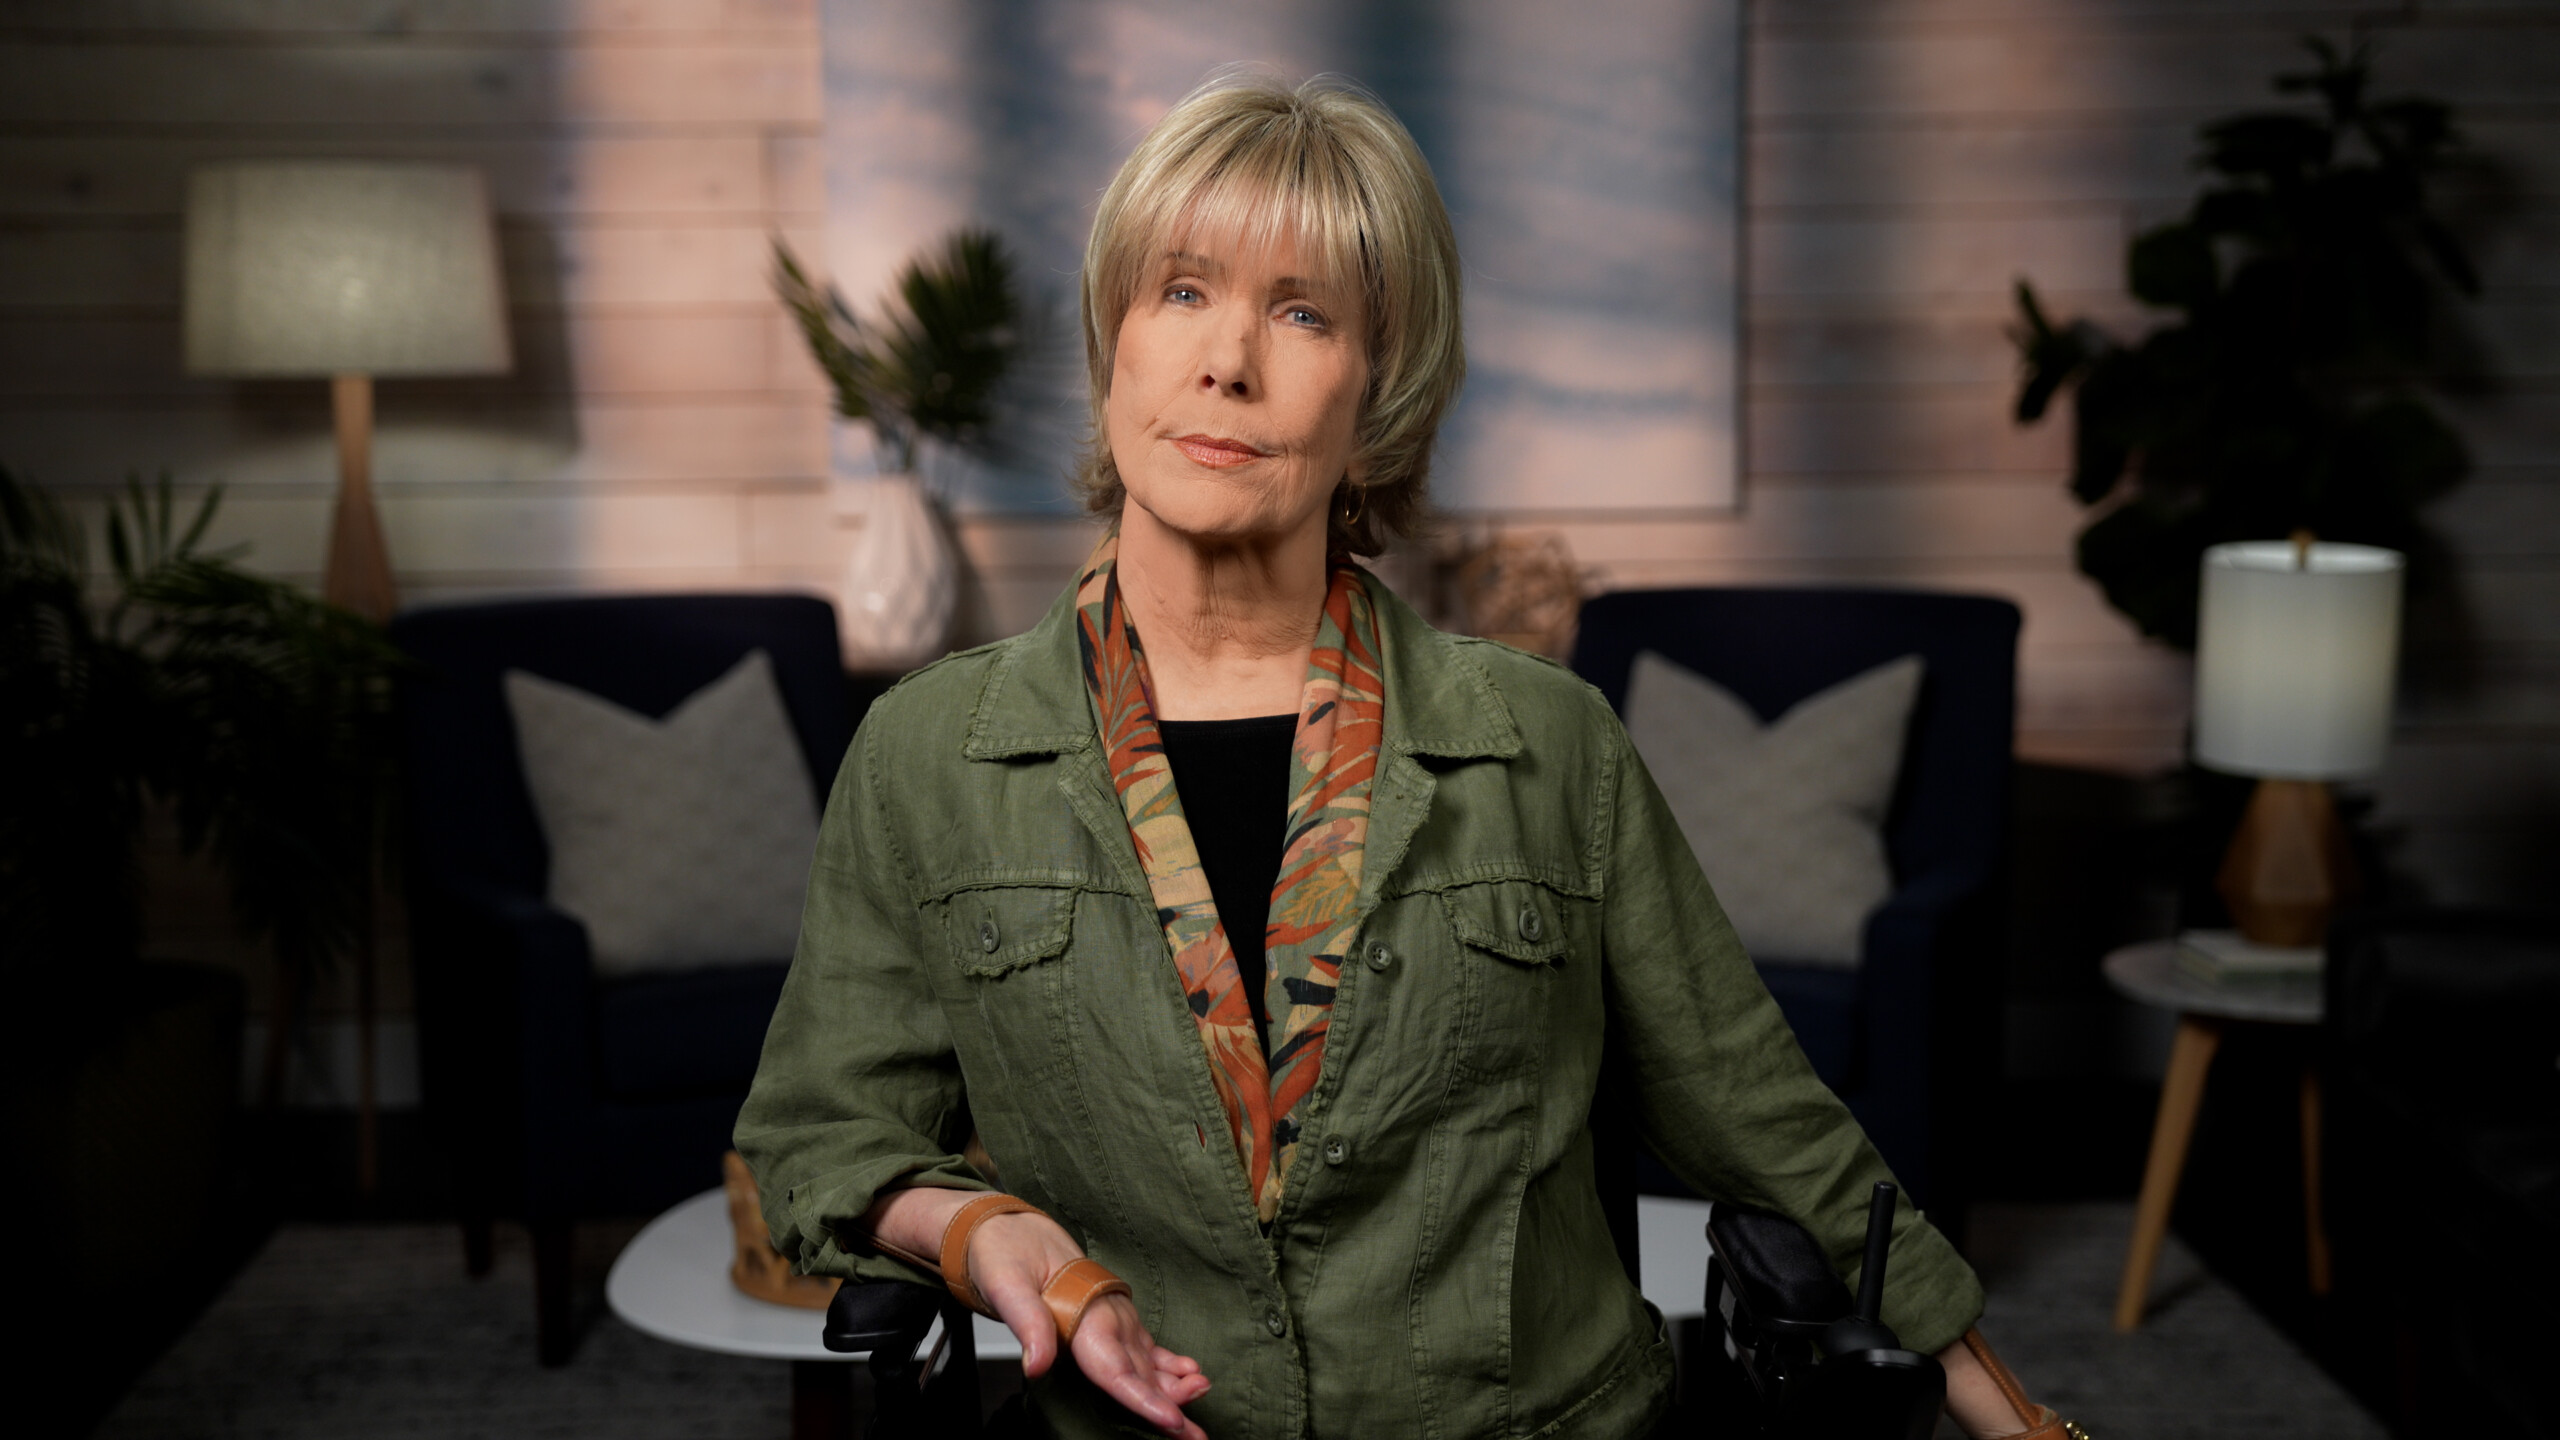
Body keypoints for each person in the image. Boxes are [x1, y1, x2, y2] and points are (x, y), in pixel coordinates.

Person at [739, 72, 2066, 1440]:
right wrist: (991, 1235)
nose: (1227, 360)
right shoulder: (927, 757)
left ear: (1379, 392)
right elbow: (819, 1131)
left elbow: (1756, 1107)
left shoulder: (1549, 745)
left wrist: (2004, 1407)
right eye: (1180, 291)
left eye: (1303, 312)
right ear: (1115, 343)